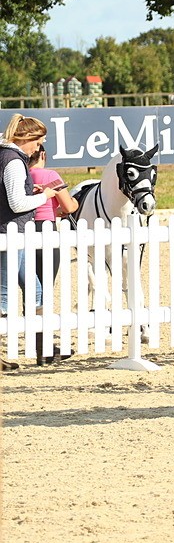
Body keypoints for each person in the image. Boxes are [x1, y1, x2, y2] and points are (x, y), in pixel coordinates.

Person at [0, 115, 53, 372]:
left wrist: (31, 193)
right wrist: (46, 197)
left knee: (35, 289)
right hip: (9, 235)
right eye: (38, 141)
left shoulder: (10, 158)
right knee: (3, 298)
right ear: (26, 139)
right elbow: (16, 204)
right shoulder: (13, 162)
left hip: (14, 233)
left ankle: (45, 350)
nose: (38, 148)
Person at [28, 145, 78, 365]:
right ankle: (44, 347)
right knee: (44, 290)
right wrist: (69, 204)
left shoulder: (22, 175)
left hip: (23, 229)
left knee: (29, 288)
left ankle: (37, 344)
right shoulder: (51, 176)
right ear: (43, 155)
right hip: (46, 231)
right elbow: (69, 206)